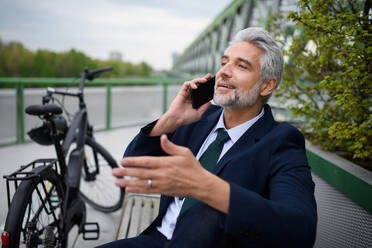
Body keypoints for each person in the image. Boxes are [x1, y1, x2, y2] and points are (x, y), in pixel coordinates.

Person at [98, 27, 317, 248]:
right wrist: (171, 120)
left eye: (241, 66)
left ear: (267, 85)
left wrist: (203, 186)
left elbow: (300, 230)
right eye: (224, 63)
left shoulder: (282, 141)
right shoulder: (197, 119)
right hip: (153, 241)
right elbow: (132, 169)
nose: (224, 71)